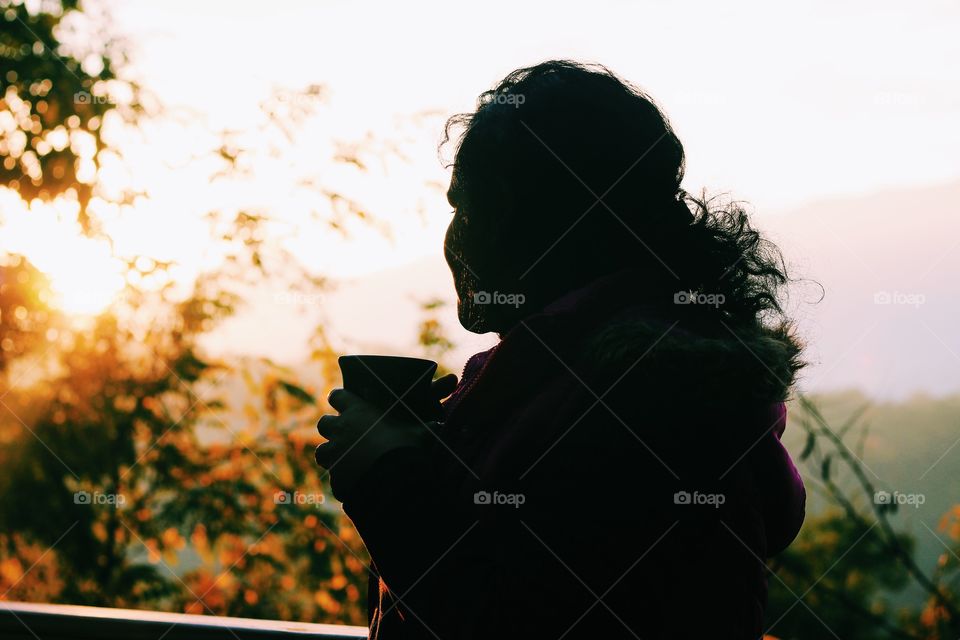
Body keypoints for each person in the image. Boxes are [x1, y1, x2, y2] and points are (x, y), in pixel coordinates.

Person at [315, 60, 806, 639]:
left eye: (467, 206)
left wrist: (388, 479)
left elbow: (510, 618)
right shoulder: (589, 379)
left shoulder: (638, 403)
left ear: (528, 216)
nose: (457, 236)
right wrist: (434, 457)